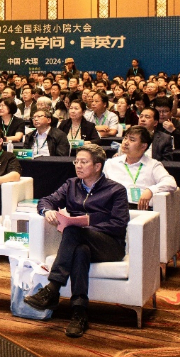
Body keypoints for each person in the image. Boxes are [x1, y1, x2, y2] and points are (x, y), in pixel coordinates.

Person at [24, 144, 130, 338]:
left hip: (109, 245)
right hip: (81, 242)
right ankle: (79, 312)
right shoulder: (71, 185)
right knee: (80, 251)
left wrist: (88, 223)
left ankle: (53, 288)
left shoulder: (116, 190)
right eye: (76, 161)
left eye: (84, 162)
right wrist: (47, 211)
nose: (78, 166)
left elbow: (119, 224)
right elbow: (46, 201)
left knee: (73, 231)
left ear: (97, 166)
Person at [104, 126, 176, 210]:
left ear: (143, 146)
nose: (126, 142)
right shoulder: (111, 163)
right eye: (125, 138)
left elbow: (170, 182)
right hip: (113, 208)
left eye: (132, 140)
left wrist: (150, 190)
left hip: (141, 210)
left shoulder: (153, 165)